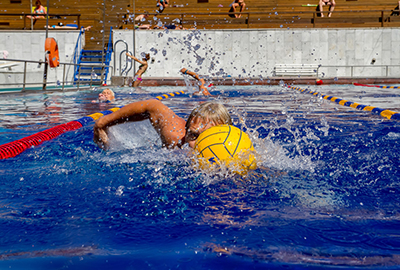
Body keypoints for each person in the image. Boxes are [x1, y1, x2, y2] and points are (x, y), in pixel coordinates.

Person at [93, 101, 232, 150]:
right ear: (186, 131)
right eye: (194, 135)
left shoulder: (238, 152)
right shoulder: (175, 138)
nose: (199, 144)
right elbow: (152, 105)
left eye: (207, 137)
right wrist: (102, 123)